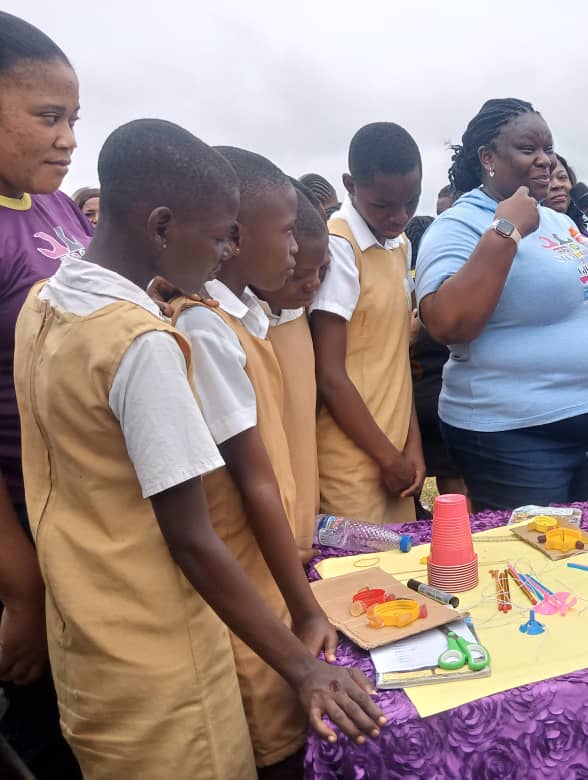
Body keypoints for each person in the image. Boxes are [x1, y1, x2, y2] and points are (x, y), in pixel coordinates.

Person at [16, 117, 385, 779]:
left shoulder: (46, 303)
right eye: (218, 237)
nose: (224, 253)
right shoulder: (143, 345)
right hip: (165, 656)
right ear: (161, 227)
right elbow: (191, 537)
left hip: (88, 637)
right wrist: (303, 668)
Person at [171, 146, 349, 776]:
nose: (297, 251)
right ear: (237, 236)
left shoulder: (249, 319)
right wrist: (305, 608)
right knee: (274, 737)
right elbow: (253, 483)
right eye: (287, 234)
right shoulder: (206, 328)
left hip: (276, 569)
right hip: (249, 577)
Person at [416, 98, 588, 511]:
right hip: (513, 436)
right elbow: (446, 323)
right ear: (488, 158)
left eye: (548, 149)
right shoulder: (458, 225)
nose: (544, 160)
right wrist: (507, 231)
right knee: (533, 551)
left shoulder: (560, 221)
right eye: (527, 149)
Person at [0, 13, 89, 777]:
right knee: (43, 724)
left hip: (78, 500)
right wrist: (20, 588)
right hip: (17, 513)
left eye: (74, 121)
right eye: (48, 117)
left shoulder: (52, 204)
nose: (67, 140)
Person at [311, 122, 425, 524]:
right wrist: (386, 457)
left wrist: (412, 446)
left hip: (395, 455)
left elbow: (395, 360)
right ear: (350, 185)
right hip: (352, 462)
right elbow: (329, 374)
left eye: (411, 201)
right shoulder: (340, 247)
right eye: (383, 205)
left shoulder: (400, 243)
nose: (400, 216)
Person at [255, 181, 330, 562]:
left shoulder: (297, 318)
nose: (313, 285)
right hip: (266, 544)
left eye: (322, 270)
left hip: (302, 517)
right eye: (299, 274)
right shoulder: (233, 331)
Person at [404, 215, 466, 513]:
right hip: (443, 397)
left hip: (411, 401)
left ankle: (420, 518)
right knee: (453, 480)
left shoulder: (405, 288)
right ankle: (458, 524)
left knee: (410, 484)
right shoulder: (446, 286)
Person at [544, 153, 588, 234]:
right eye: (546, 178)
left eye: (562, 177)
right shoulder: (522, 233)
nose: (557, 185)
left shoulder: (586, 232)